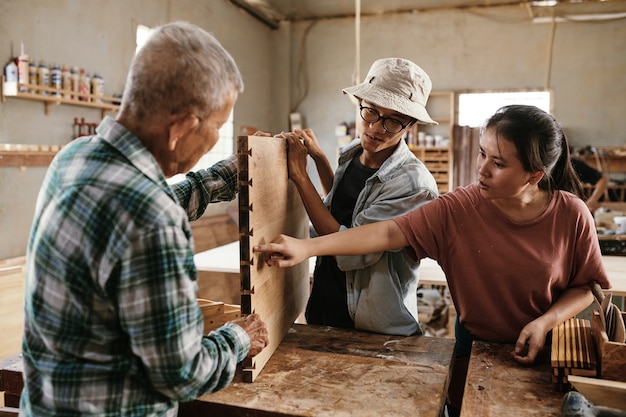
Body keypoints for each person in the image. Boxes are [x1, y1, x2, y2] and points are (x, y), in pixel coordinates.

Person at [254, 104, 611, 414]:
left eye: (498, 163)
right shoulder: (459, 209)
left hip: (546, 353)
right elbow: (388, 232)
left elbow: (586, 286)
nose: (482, 169)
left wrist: (545, 321)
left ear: (535, 175)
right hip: (474, 350)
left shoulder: (572, 214)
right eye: (482, 153)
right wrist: (308, 248)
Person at [21, 22, 268, 417]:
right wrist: (238, 337)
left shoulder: (75, 157)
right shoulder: (152, 221)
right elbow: (183, 373)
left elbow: (138, 211)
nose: (215, 136)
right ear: (182, 127)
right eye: (217, 127)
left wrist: (226, 176)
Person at [278, 57, 439, 336]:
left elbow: (348, 242)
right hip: (326, 300)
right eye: (371, 112)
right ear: (360, 104)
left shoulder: (412, 185)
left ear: (409, 126)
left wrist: (301, 178)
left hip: (370, 322)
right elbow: (339, 206)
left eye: (393, 122)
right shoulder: (353, 152)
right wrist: (319, 159)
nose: (376, 128)